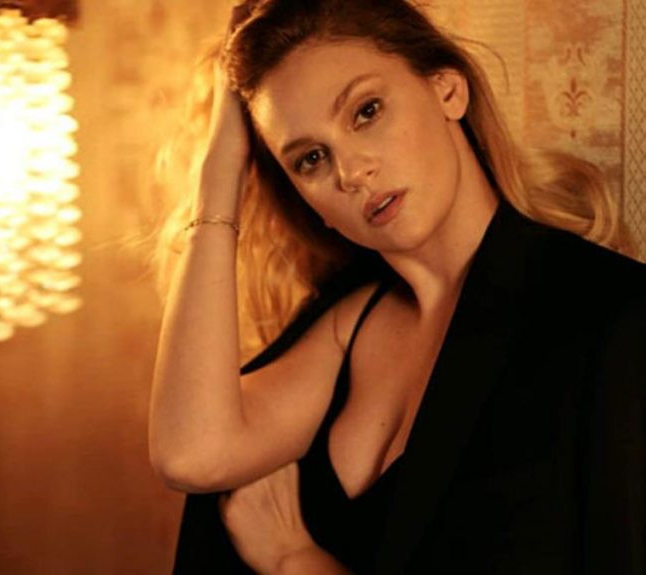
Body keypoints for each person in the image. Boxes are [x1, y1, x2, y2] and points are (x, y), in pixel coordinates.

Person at [148, 0, 646, 573]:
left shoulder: (612, 319)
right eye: (311, 158)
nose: (351, 172)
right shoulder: (348, 321)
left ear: (447, 90)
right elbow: (191, 455)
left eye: (366, 111)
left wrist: (294, 560)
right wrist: (220, 172)